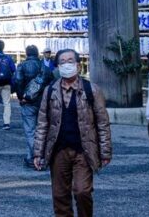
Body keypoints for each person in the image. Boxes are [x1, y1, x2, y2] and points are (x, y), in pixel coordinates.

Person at [33, 49, 112, 217]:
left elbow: (102, 123)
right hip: (58, 150)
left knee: (82, 191)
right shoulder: (50, 91)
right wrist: (38, 153)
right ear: (58, 66)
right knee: (60, 196)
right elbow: (42, 123)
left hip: (84, 150)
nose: (67, 64)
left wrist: (105, 152)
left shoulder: (92, 90)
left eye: (70, 61)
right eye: (62, 62)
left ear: (78, 64)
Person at [14, 45, 54, 169]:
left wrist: (22, 97)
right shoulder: (45, 67)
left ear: (27, 54)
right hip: (43, 102)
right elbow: (52, 84)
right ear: (37, 54)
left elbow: (18, 81)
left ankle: (35, 157)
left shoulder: (21, 66)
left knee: (30, 131)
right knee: (42, 130)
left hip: (28, 103)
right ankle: (37, 156)